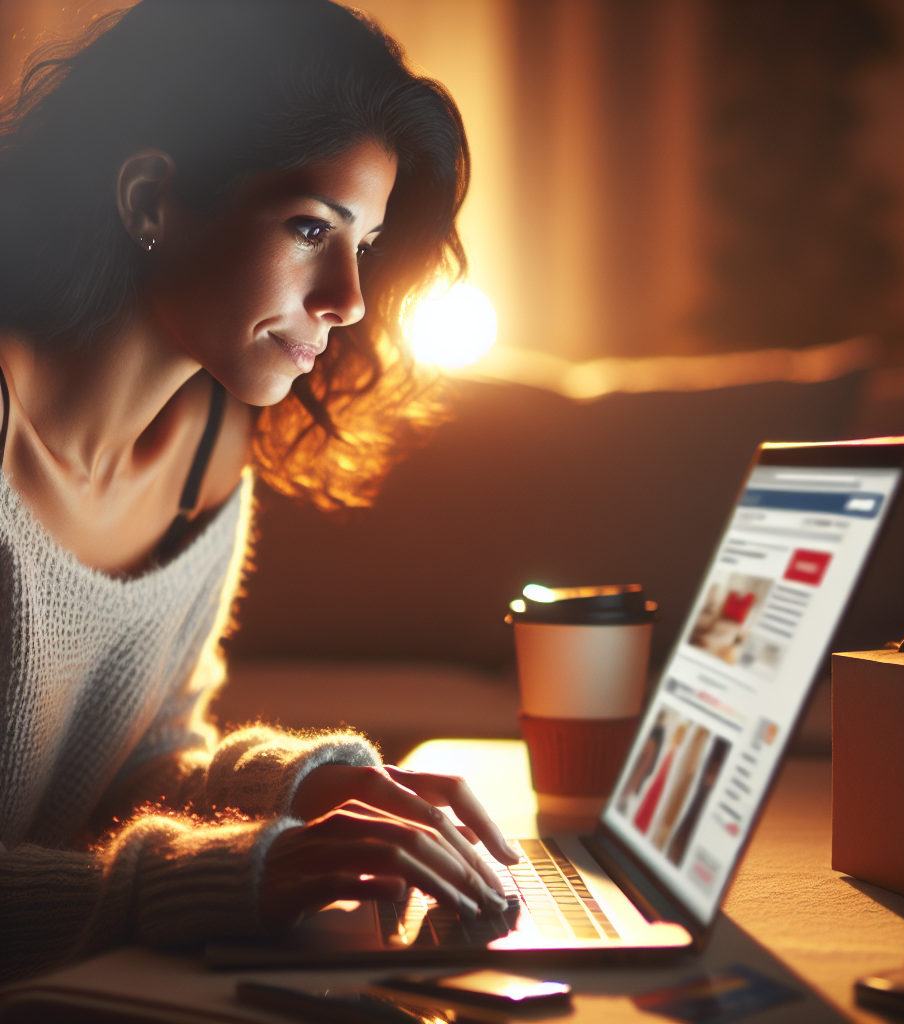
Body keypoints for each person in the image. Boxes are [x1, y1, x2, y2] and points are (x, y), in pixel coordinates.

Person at [0, 0, 519, 983]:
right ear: (152, 199)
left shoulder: (211, 453)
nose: (349, 299)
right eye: (309, 225)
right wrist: (226, 872)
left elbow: (133, 771)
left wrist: (319, 787)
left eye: (361, 242)